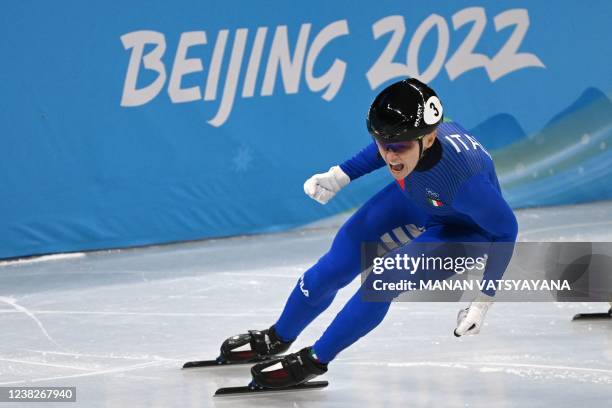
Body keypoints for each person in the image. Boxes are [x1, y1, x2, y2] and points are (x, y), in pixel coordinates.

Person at [218, 78, 518, 388]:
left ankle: (315, 360)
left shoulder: (468, 184)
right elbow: (389, 144)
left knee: (383, 279)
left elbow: (507, 231)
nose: (390, 156)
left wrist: (484, 299)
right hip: (420, 199)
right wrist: (341, 175)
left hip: (464, 231)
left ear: (428, 140)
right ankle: (278, 336)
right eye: (383, 143)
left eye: (399, 147)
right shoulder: (408, 139)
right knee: (334, 264)